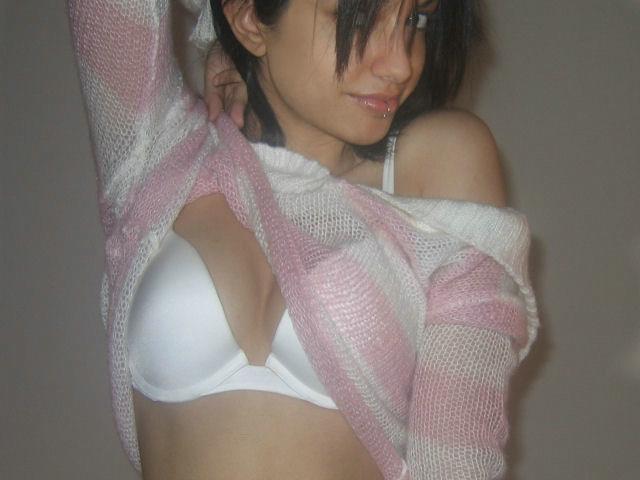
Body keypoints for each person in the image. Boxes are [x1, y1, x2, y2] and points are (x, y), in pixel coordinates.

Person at [68, 0, 538, 479]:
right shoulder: (156, 154)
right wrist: (227, 30)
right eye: (359, 16)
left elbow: (457, 463)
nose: (400, 64)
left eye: (414, 19)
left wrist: (242, 38)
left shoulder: (438, 165)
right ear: (248, 16)